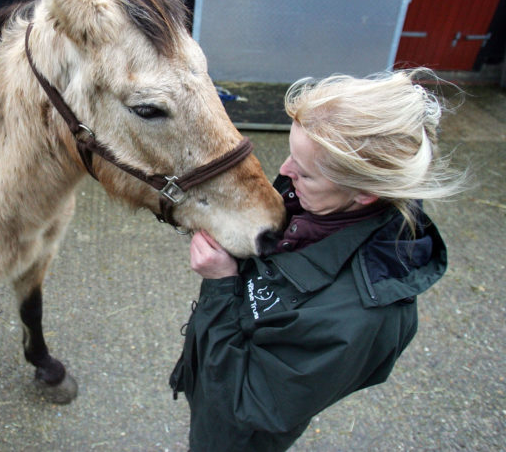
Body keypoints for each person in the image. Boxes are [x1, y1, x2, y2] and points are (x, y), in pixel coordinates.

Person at [170, 69, 467, 451]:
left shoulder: (360, 317)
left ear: (365, 193)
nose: (284, 171)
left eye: (305, 173)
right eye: (292, 155)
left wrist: (220, 283)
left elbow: (247, 404)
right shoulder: (314, 204)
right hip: (214, 378)